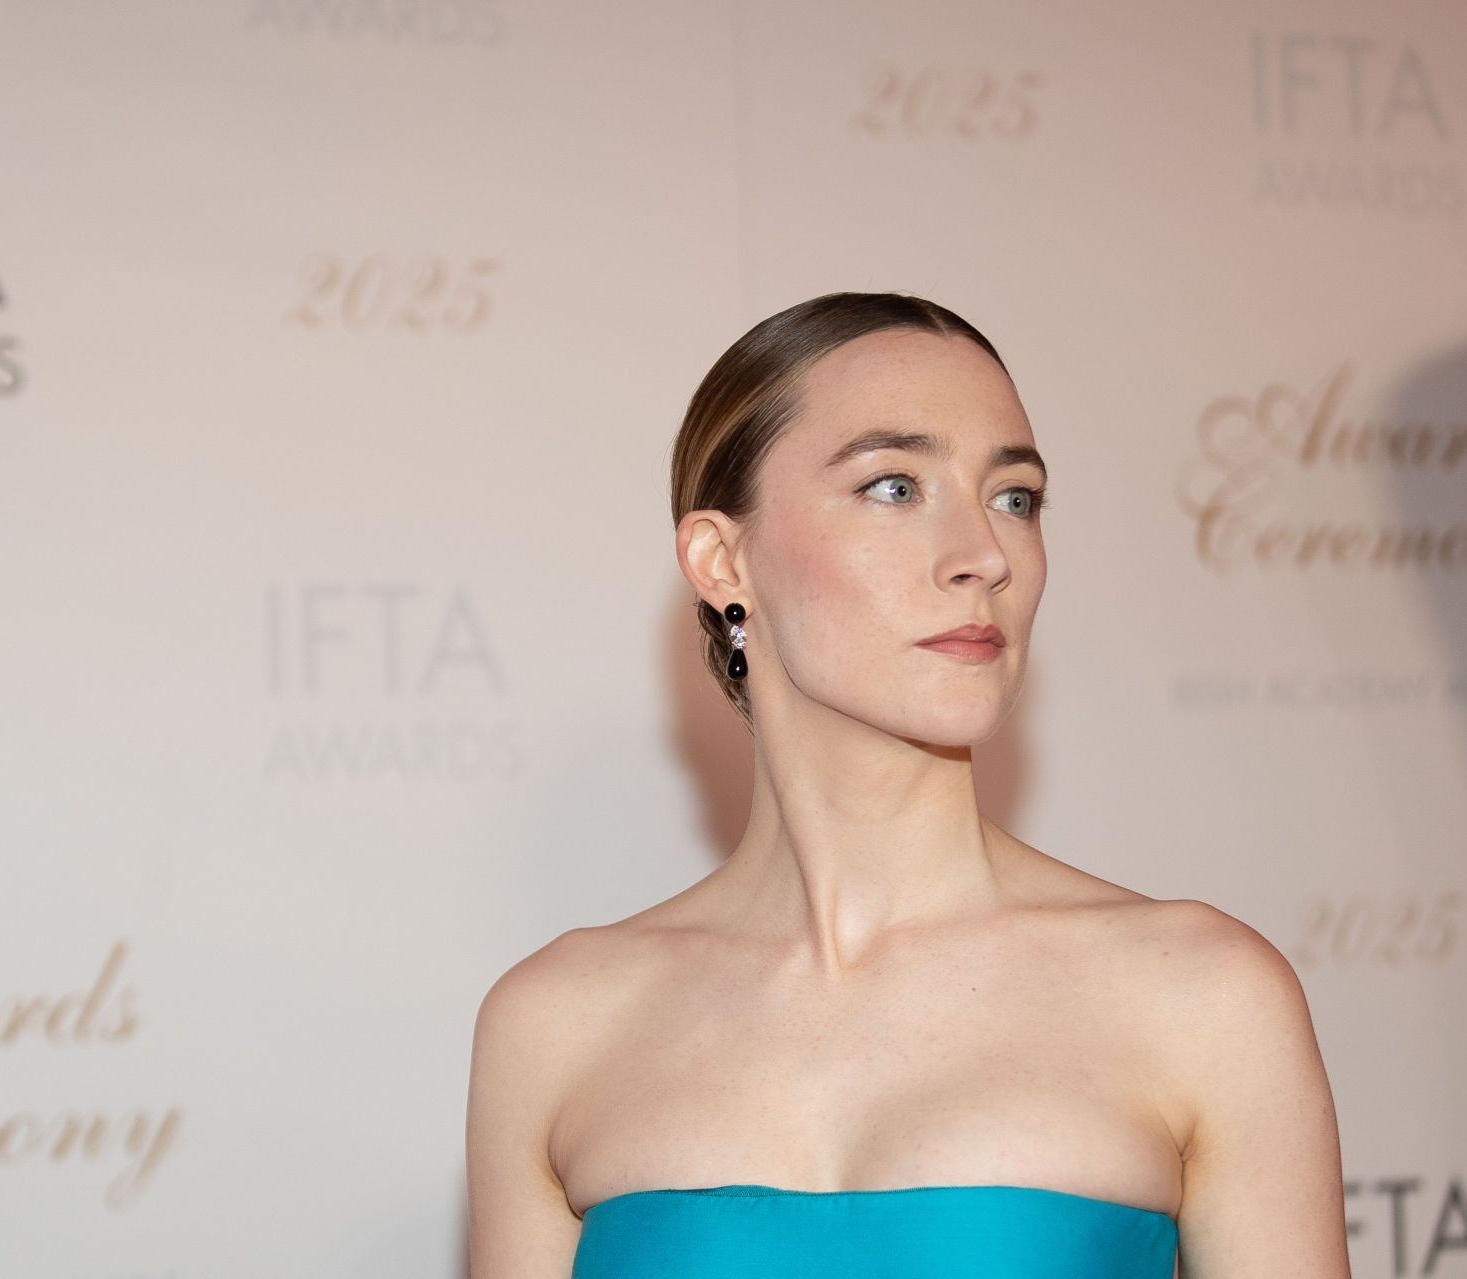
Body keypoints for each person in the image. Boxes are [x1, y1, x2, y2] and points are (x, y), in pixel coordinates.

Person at [464, 292, 1352, 1277]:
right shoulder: (555, 1024)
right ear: (723, 560)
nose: (985, 555)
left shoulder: (1204, 998)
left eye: (1014, 497)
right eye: (895, 487)